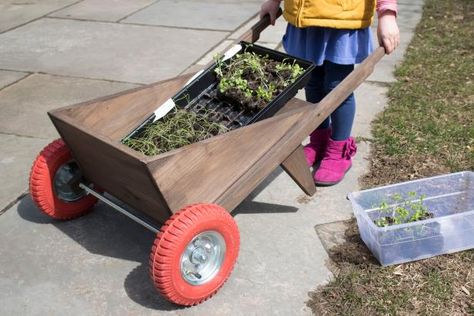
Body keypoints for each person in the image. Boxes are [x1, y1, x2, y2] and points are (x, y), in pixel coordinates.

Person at [260, 0, 400, 185]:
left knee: (338, 88)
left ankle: (339, 150)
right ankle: (319, 140)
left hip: (342, 20)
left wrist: (387, 14)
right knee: (312, 82)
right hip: (305, 19)